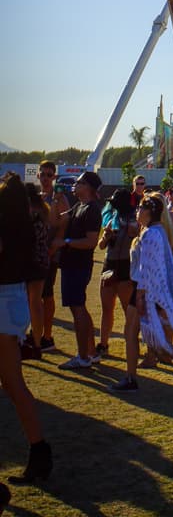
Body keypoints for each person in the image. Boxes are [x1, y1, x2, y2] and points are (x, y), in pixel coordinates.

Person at [109, 192, 173, 392]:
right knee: (151, 333)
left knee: (133, 332)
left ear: (149, 212)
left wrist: (140, 296)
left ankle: (132, 377)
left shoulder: (150, 234)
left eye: (140, 208)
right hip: (151, 291)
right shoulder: (157, 231)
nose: (137, 212)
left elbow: (147, 268)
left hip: (145, 291)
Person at [0, 172, 52, 487]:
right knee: (13, 383)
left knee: (14, 384)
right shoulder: (25, 225)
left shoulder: (6, 226)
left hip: (4, 301)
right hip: (13, 298)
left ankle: (39, 451)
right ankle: (39, 451)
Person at [52, 170, 102, 369]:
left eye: (80, 182)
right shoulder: (78, 206)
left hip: (78, 265)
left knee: (77, 308)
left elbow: (91, 242)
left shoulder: (91, 210)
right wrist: (56, 201)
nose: (75, 184)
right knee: (79, 307)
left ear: (88, 187)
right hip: (72, 264)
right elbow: (60, 218)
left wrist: (66, 242)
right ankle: (90, 352)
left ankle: (82, 356)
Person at [34, 160, 69, 353]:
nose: (46, 178)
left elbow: (63, 224)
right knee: (34, 296)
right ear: (38, 175)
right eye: (43, 174)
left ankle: (47, 336)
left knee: (46, 295)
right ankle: (37, 333)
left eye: (50, 174)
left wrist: (54, 248)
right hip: (35, 254)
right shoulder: (36, 198)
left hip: (50, 254)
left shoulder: (59, 198)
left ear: (54, 177)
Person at [96, 188, 136, 357]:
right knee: (107, 308)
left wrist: (129, 234)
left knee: (128, 310)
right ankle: (103, 344)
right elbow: (101, 245)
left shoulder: (134, 221)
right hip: (109, 264)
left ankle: (131, 343)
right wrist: (106, 237)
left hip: (125, 267)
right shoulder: (112, 219)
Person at [20, 185, 50, 361]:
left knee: (26, 303)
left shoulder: (29, 215)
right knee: (36, 303)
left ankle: (23, 340)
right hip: (41, 261)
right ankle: (37, 343)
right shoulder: (43, 212)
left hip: (29, 262)